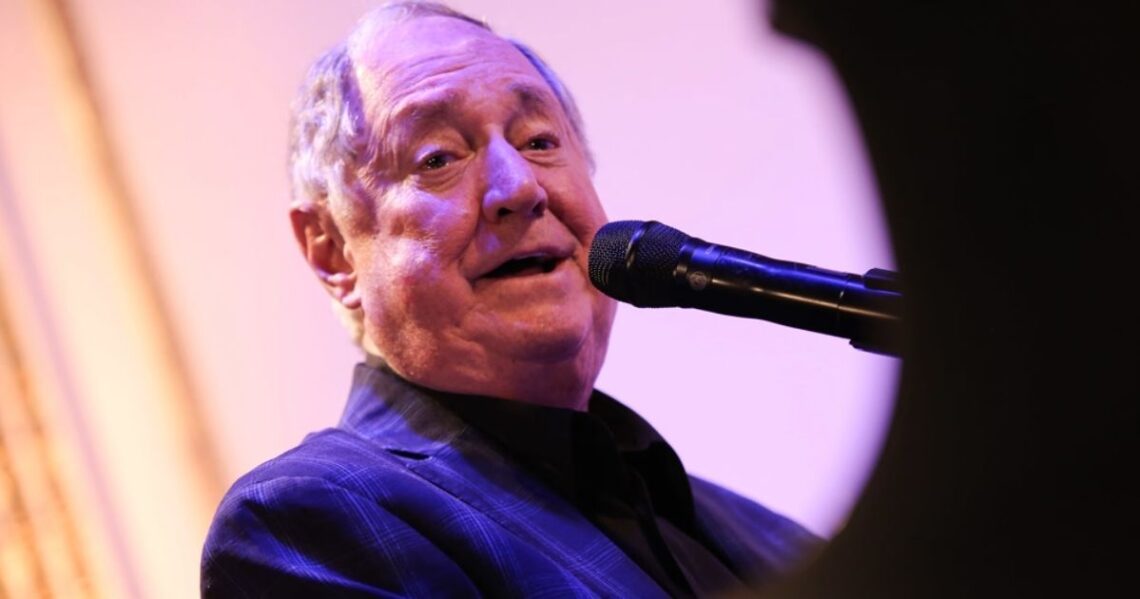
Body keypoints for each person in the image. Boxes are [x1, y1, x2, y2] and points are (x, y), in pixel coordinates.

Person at [201, 2, 819, 596]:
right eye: (437, 158)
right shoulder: (310, 524)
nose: (519, 187)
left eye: (540, 142)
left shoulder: (770, 538)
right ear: (332, 250)